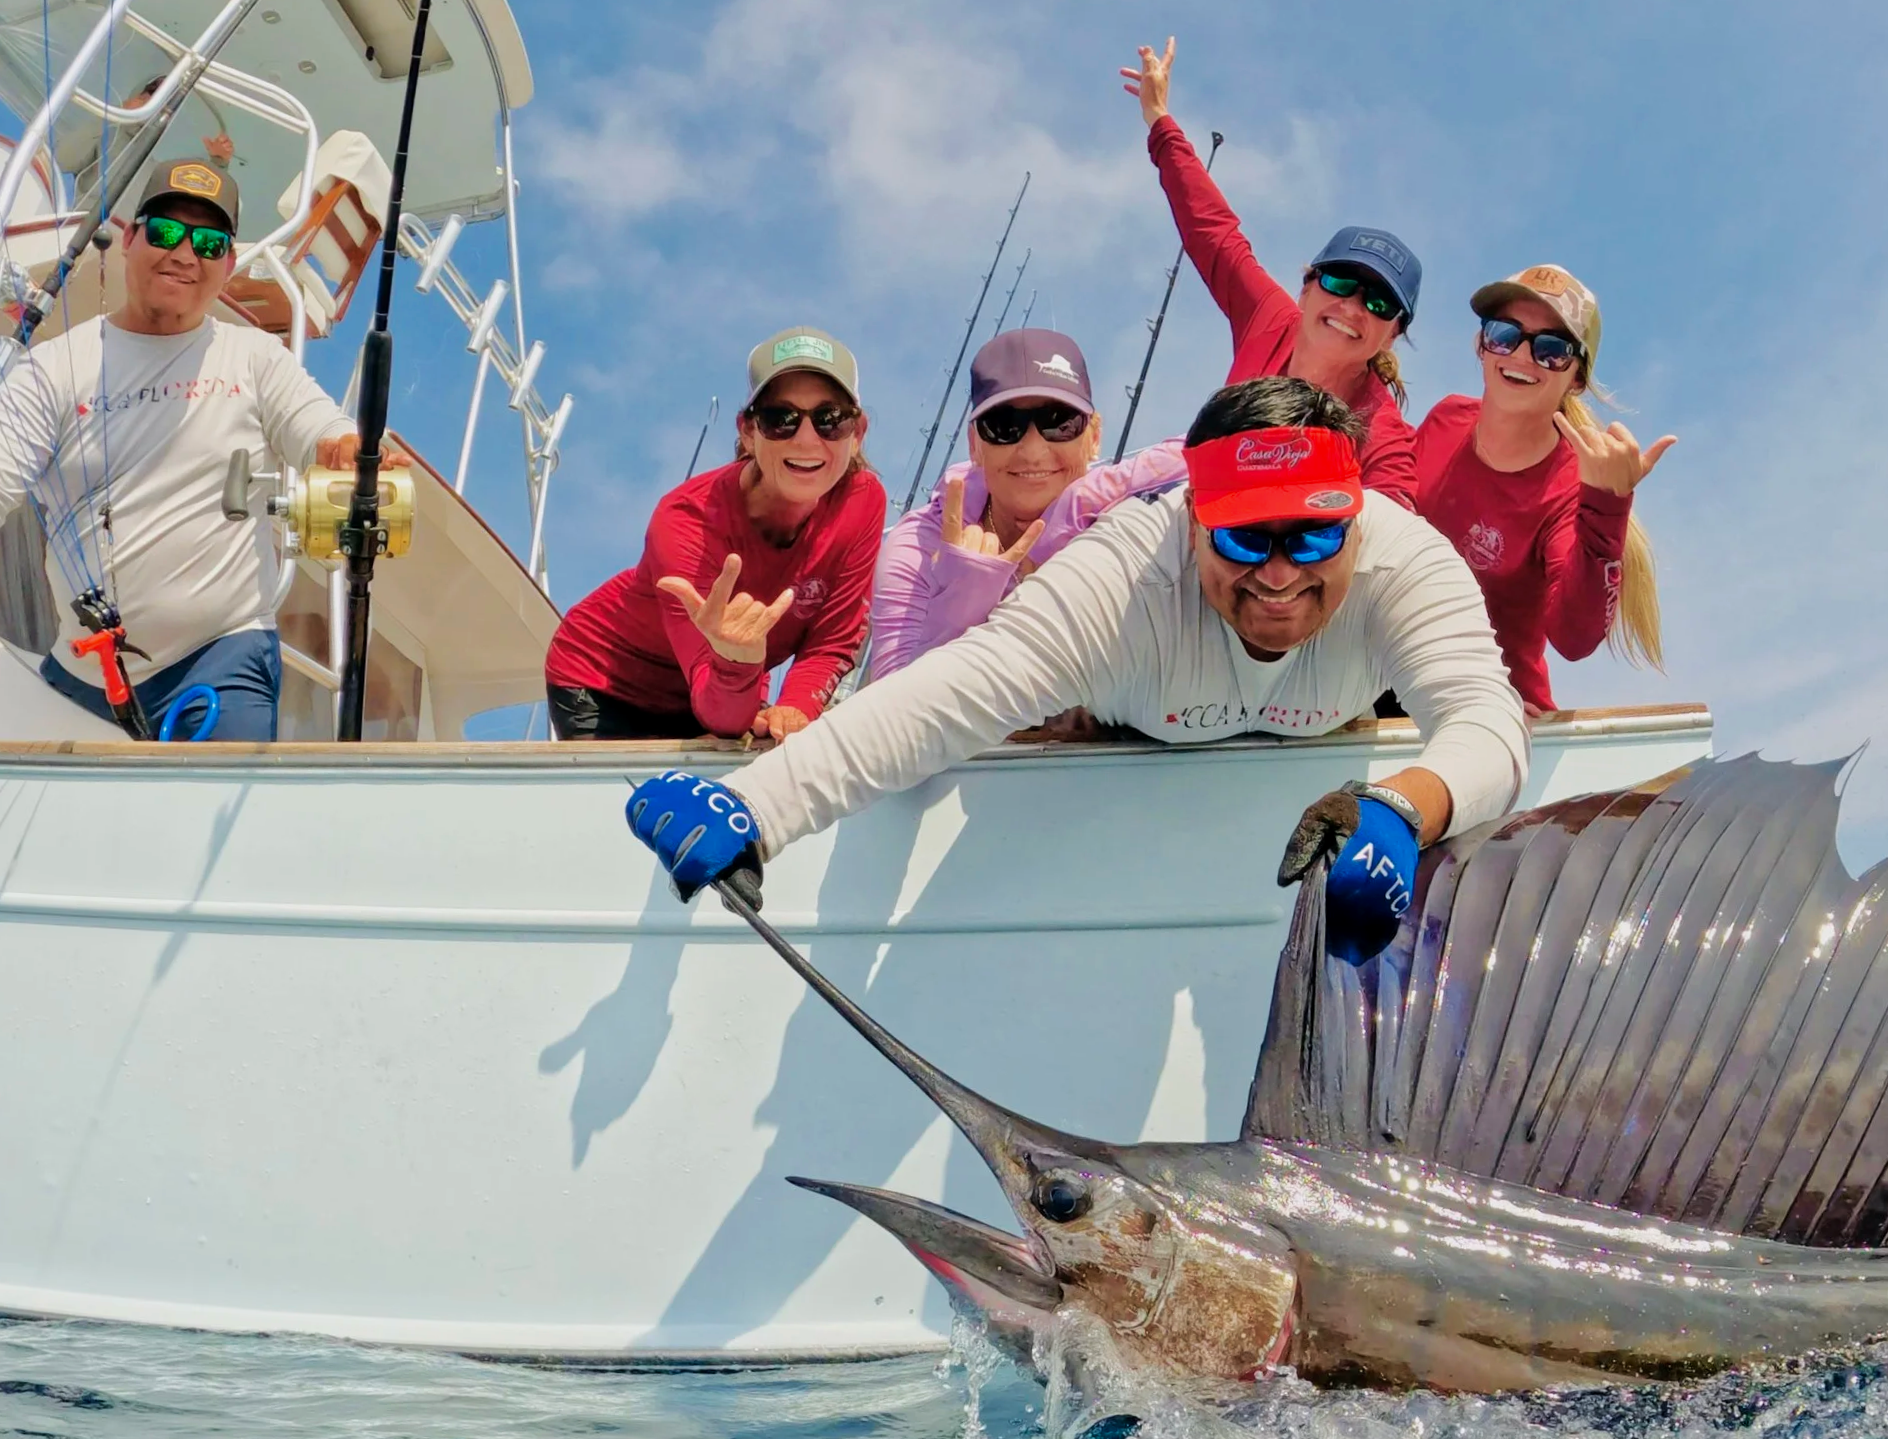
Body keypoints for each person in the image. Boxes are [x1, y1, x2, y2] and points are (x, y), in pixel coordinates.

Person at [623, 376, 1530, 966]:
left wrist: (1405, 807)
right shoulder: (1126, 566)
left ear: (1357, 516)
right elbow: (954, 695)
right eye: (1247, 538)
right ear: (1190, 520)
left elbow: (1488, 723)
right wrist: (758, 806)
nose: (1281, 573)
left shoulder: (1407, 559)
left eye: (1315, 533)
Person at [0, 158, 370, 741]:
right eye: (166, 232)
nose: (185, 254)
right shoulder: (53, 368)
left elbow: (319, 427)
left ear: (228, 264)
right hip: (79, 671)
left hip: (220, 658)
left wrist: (347, 449)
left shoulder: (256, 359)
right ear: (130, 238)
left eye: (210, 243)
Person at [545, 327, 884, 742]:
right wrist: (737, 663)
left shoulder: (862, 501)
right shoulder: (685, 520)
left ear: (859, 431)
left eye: (831, 419)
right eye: (782, 419)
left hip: (726, 684)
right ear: (747, 431)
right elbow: (719, 708)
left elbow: (832, 640)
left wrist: (795, 708)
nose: (808, 439)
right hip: (607, 684)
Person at [1121, 36, 1420, 503]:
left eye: (1378, 303)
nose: (1352, 307)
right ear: (1306, 289)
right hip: (1202, 513)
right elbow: (1212, 232)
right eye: (1340, 282)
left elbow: (1396, 516)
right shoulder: (1271, 319)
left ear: (1392, 335)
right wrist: (1159, 120)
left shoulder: (1383, 433)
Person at [1413, 265, 1672, 714]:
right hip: (1385, 682)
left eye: (1551, 349)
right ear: (1481, 343)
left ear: (1576, 378)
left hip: (1493, 712)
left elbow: (1573, 639)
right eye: (1504, 333)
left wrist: (1609, 507)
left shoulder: (1574, 489)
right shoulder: (1444, 418)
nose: (1521, 355)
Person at [866, 327, 1184, 681]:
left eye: (1060, 423)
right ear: (974, 446)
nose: (1033, 452)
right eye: (1003, 426)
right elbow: (895, 705)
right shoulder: (919, 543)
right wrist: (961, 604)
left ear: (1093, 437)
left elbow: (1213, 446)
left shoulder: (1115, 509)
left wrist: (1079, 506)